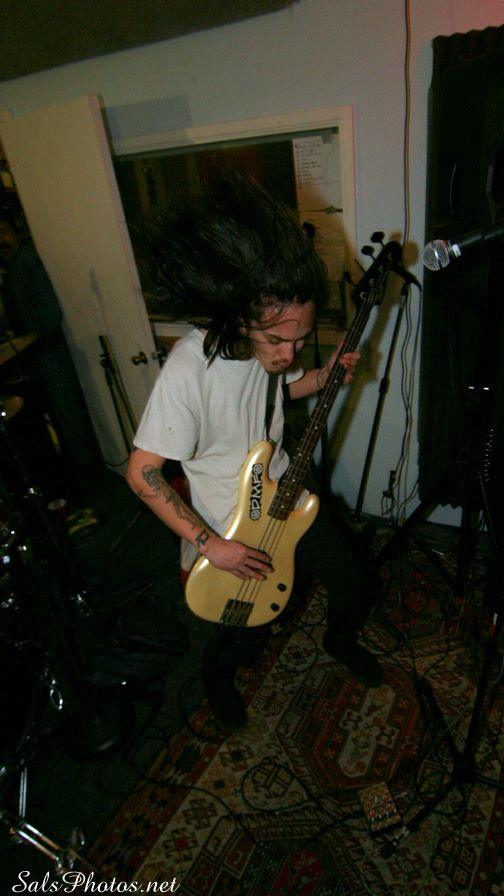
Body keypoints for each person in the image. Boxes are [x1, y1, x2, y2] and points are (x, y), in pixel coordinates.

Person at [126, 171, 383, 730]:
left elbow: (275, 394)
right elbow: (142, 471)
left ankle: (340, 640)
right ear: (241, 315)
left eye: (300, 339)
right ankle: (216, 677)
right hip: (231, 524)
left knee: (356, 580)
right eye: (277, 340)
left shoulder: (266, 351)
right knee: (247, 630)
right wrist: (209, 544)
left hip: (287, 491)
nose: (288, 352)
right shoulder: (191, 367)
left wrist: (323, 375)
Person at [0, 210, 101, 508]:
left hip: (48, 349)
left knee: (66, 407)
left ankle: (87, 473)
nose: (2, 240)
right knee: (51, 414)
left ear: (17, 231)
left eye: (5, 231)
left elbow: (50, 313)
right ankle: (71, 471)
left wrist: (28, 337)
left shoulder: (27, 259)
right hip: (32, 352)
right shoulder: (10, 268)